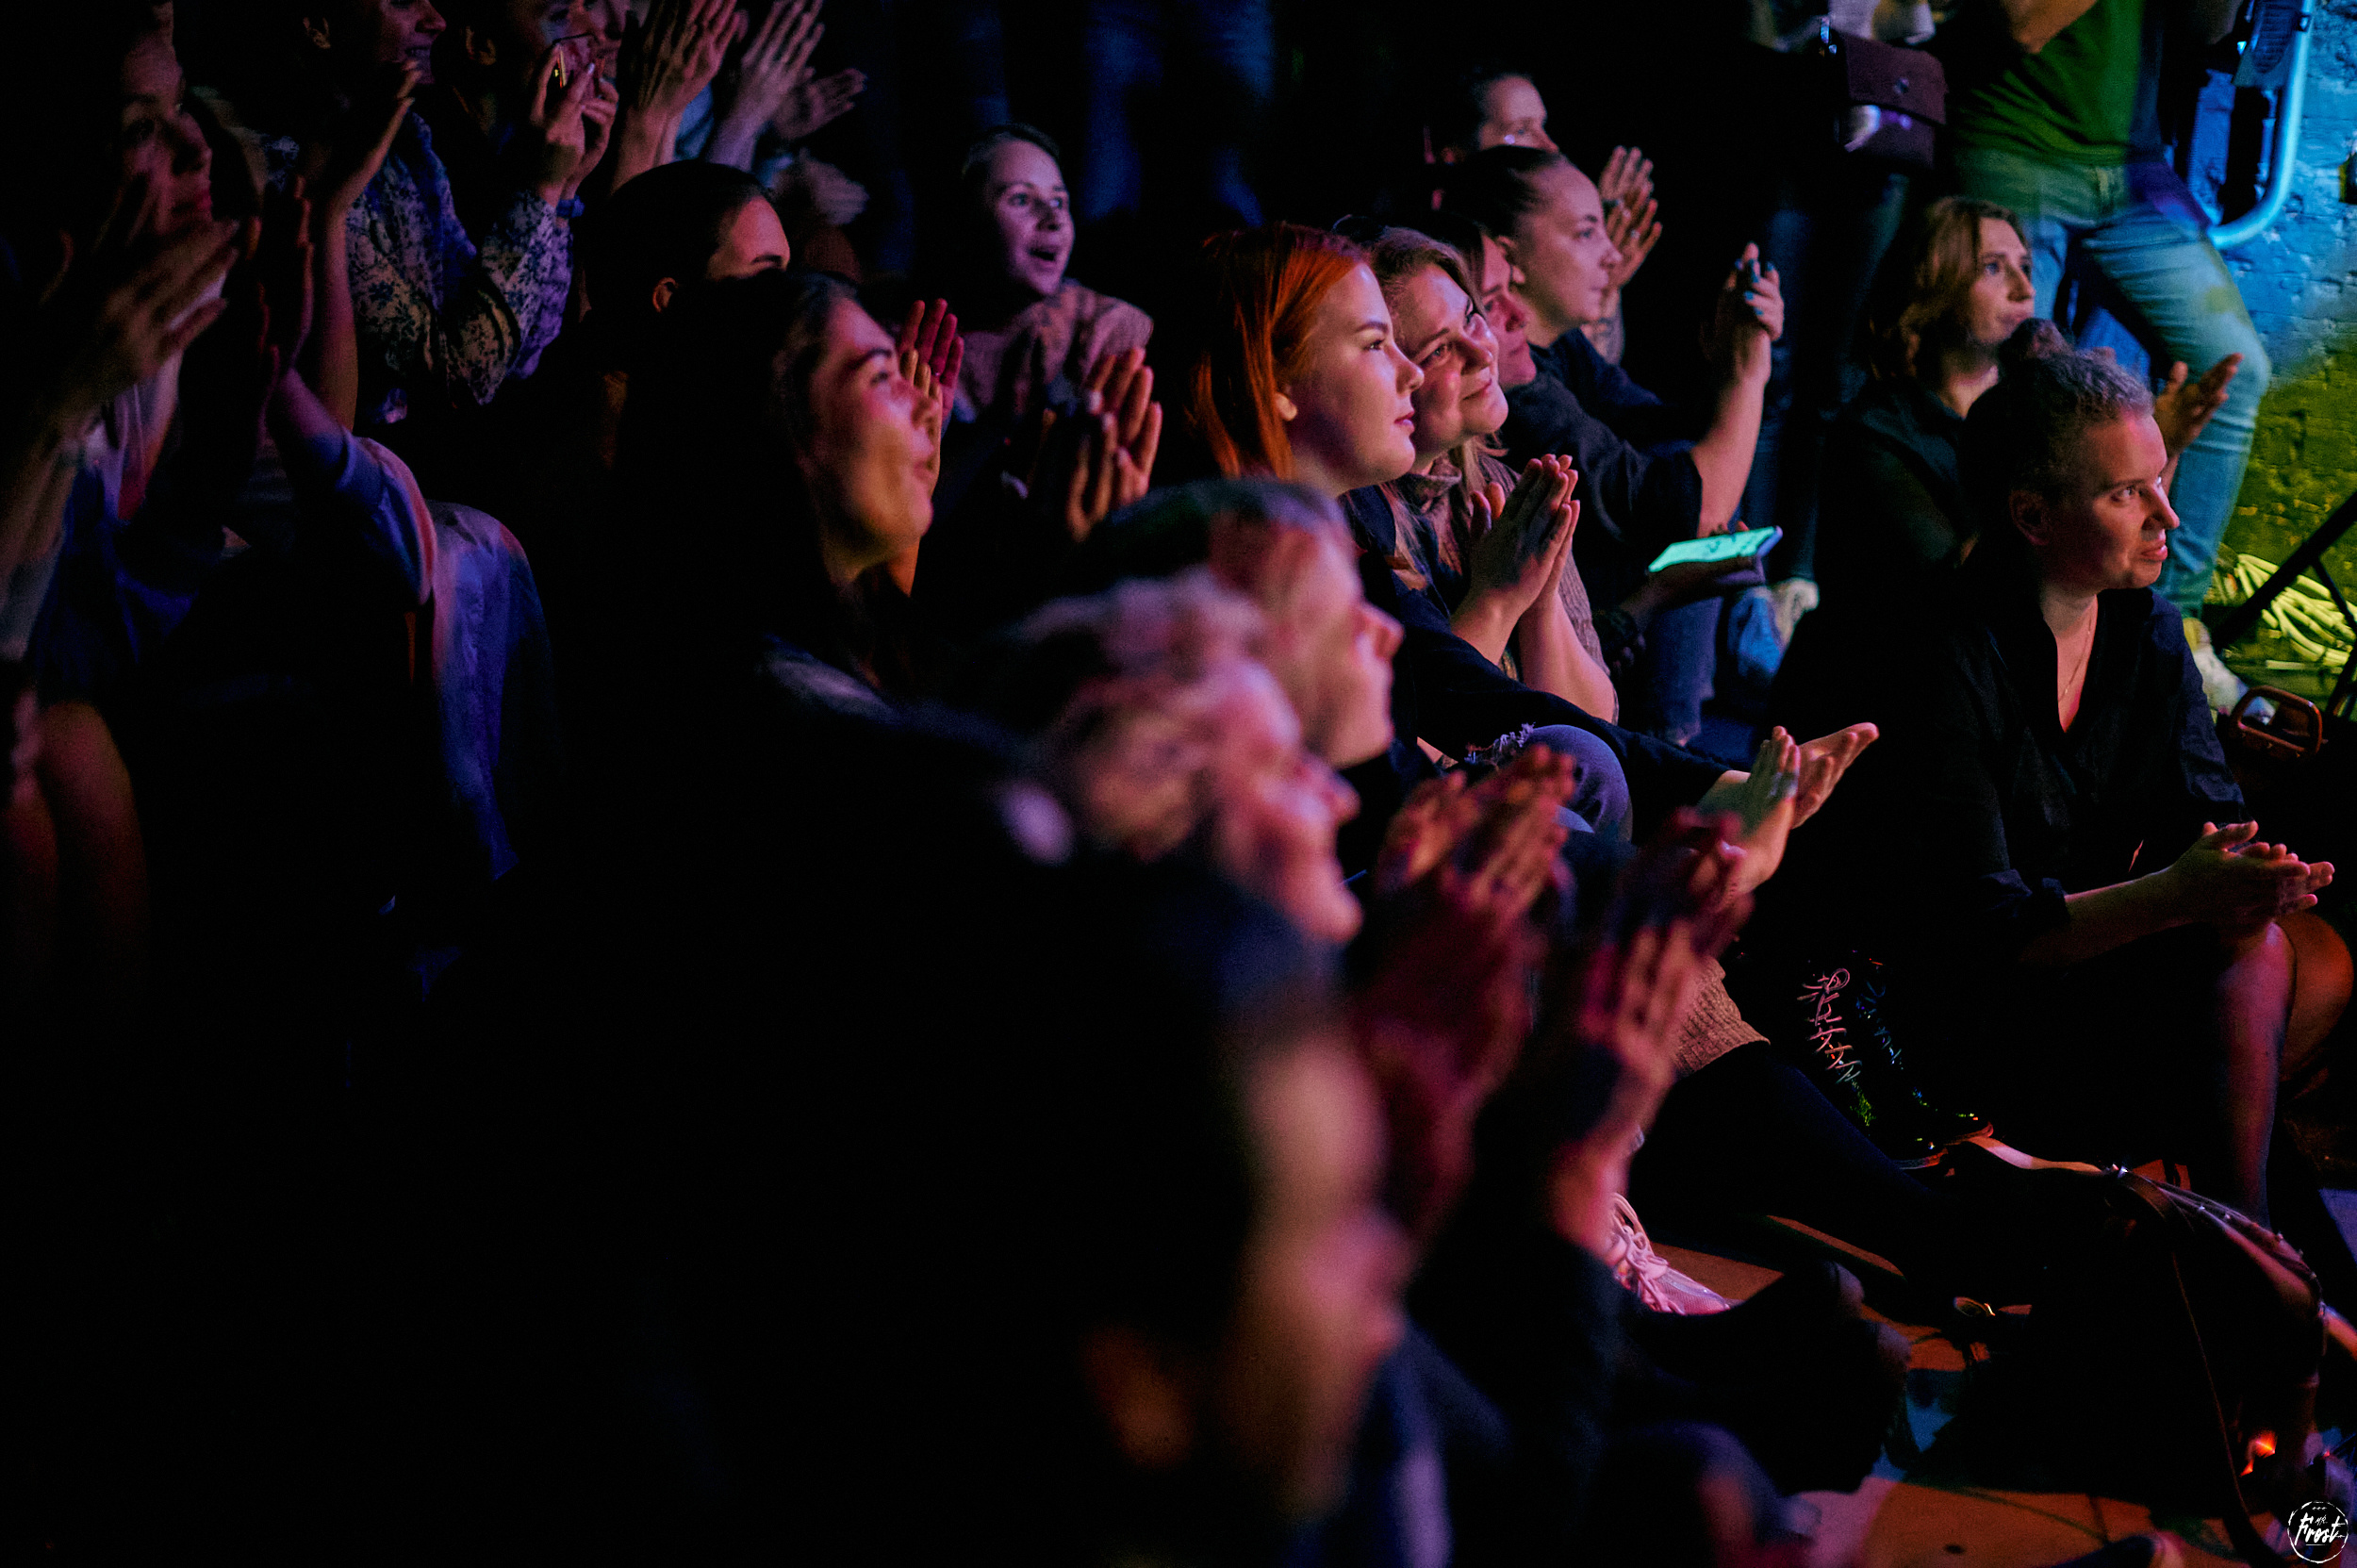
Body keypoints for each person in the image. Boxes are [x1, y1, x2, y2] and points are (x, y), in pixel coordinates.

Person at [1790, 324, 2335, 1224]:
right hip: (1951, 1008)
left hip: (2084, 952)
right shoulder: (1944, 653)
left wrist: (2248, 875)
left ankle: (2242, 1241)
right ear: (2033, 516)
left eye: (2160, 480)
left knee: (2271, 952)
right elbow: (1984, 934)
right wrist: (2178, 896)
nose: (2169, 516)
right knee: (2247, 989)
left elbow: (2205, 814)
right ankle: (2249, 1239)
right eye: (2130, 493)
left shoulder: (2146, 629)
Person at [1941, 0, 2269, 652]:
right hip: (2015, 143)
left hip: (2131, 173)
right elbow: (2021, 22)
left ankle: (2168, 633)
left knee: (2233, 368)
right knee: (2018, 407)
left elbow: (2207, 29)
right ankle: (2003, 630)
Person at [1442, 146, 1782, 749]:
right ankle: (1666, 746)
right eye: (1585, 231)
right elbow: (1682, 503)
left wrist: (1730, 356)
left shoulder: (1562, 352)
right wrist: (1746, 379)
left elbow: (1663, 429)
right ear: (1510, 259)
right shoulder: (1518, 393)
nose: (1612, 253)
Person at [1812, 195, 2236, 611]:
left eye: (2026, 267)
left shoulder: (2032, 407)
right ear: (1931, 282)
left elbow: (2113, 544)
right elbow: (1960, 586)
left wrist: (2157, 449)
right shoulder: (1874, 435)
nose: (2025, 289)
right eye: (1993, 268)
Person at [1360, 224, 1620, 722]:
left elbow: (1597, 725)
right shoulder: (1362, 519)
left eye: (1472, 319)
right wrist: (1496, 596)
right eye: (1439, 351)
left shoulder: (1505, 487)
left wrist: (1539, 600)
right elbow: (1420, 744)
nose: (1483, 353)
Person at [947, 124, 1153, 429]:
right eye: (1021, 199)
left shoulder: (1095, 328)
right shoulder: (900, 340)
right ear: (964, 224)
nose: (1054, 218)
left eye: (1059, 201)